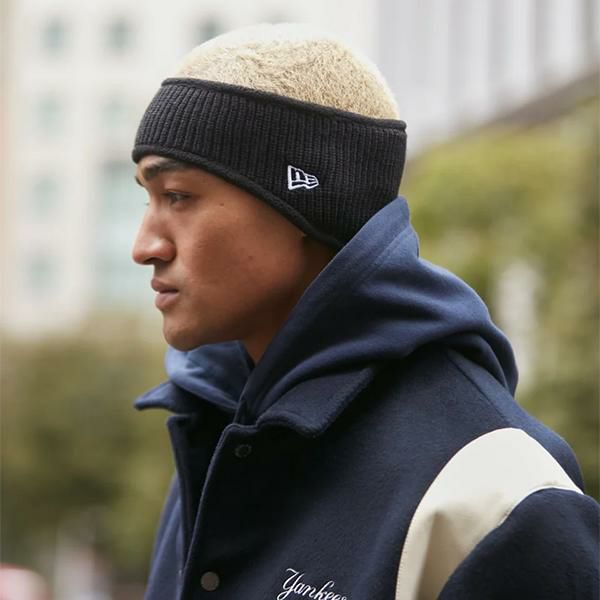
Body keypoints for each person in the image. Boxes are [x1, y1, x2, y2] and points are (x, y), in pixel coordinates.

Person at [130, 23, 599, 600]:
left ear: (302, 202)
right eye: (148, 198)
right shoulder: (216, 438)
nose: (145, 245)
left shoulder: (494, 498)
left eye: (178, 196)